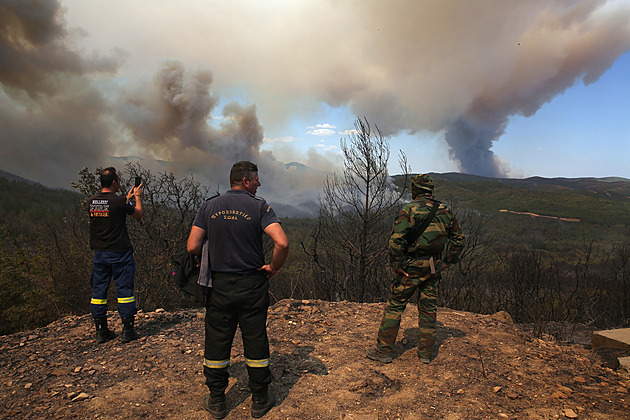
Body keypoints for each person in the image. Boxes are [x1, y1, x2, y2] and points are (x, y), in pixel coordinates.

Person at [187, 161, 289, 419]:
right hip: (252, 284)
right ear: (245, 181)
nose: (259, 183)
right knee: (255, 339)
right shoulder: (259, 207)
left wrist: (215, 251)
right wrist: (274, 267)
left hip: (218, 285)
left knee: (218, 340)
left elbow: (192, 246)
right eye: (256, 179)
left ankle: (217, 401)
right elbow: (282, 242)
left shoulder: (209, 206)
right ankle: (260, 400)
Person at [366, 174, 465, 364]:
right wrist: (447, 261)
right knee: (428, 309)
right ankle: (426, 354)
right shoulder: (445, 210)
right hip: (433, 267)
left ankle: (384, 351)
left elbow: (396, 241)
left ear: (416, 190)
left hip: (411, 267)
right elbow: (459, 239)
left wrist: (396, 265)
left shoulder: (409, 209)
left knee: (395, 306)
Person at [88, 167, 143, 344]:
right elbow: (138, 214)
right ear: (114, 182)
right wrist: (137, 197)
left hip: (100, 255)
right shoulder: (119, 202)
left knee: (98, 292)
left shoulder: (92, 201)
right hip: (120, 254)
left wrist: (125, 199)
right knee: (125, 291)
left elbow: (110, 211)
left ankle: (101, 331)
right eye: (118, 180)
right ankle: (127, 331)